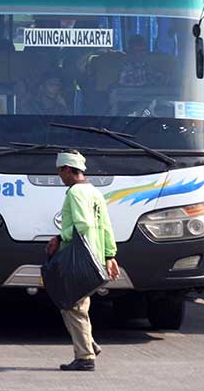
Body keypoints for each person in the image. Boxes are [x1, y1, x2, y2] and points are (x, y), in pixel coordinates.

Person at [45, 151, 119, 372]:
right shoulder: (95, 192)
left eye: (60, 171)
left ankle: (85, 356)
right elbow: (106, 225)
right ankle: (88, 344)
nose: (59, 176)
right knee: (78, 304)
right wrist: (109, 255)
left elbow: (83, 225)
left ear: (68, 169)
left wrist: (60, 237)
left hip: (79, 257)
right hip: (95, 256)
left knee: (71, 304)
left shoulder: (75, 193)